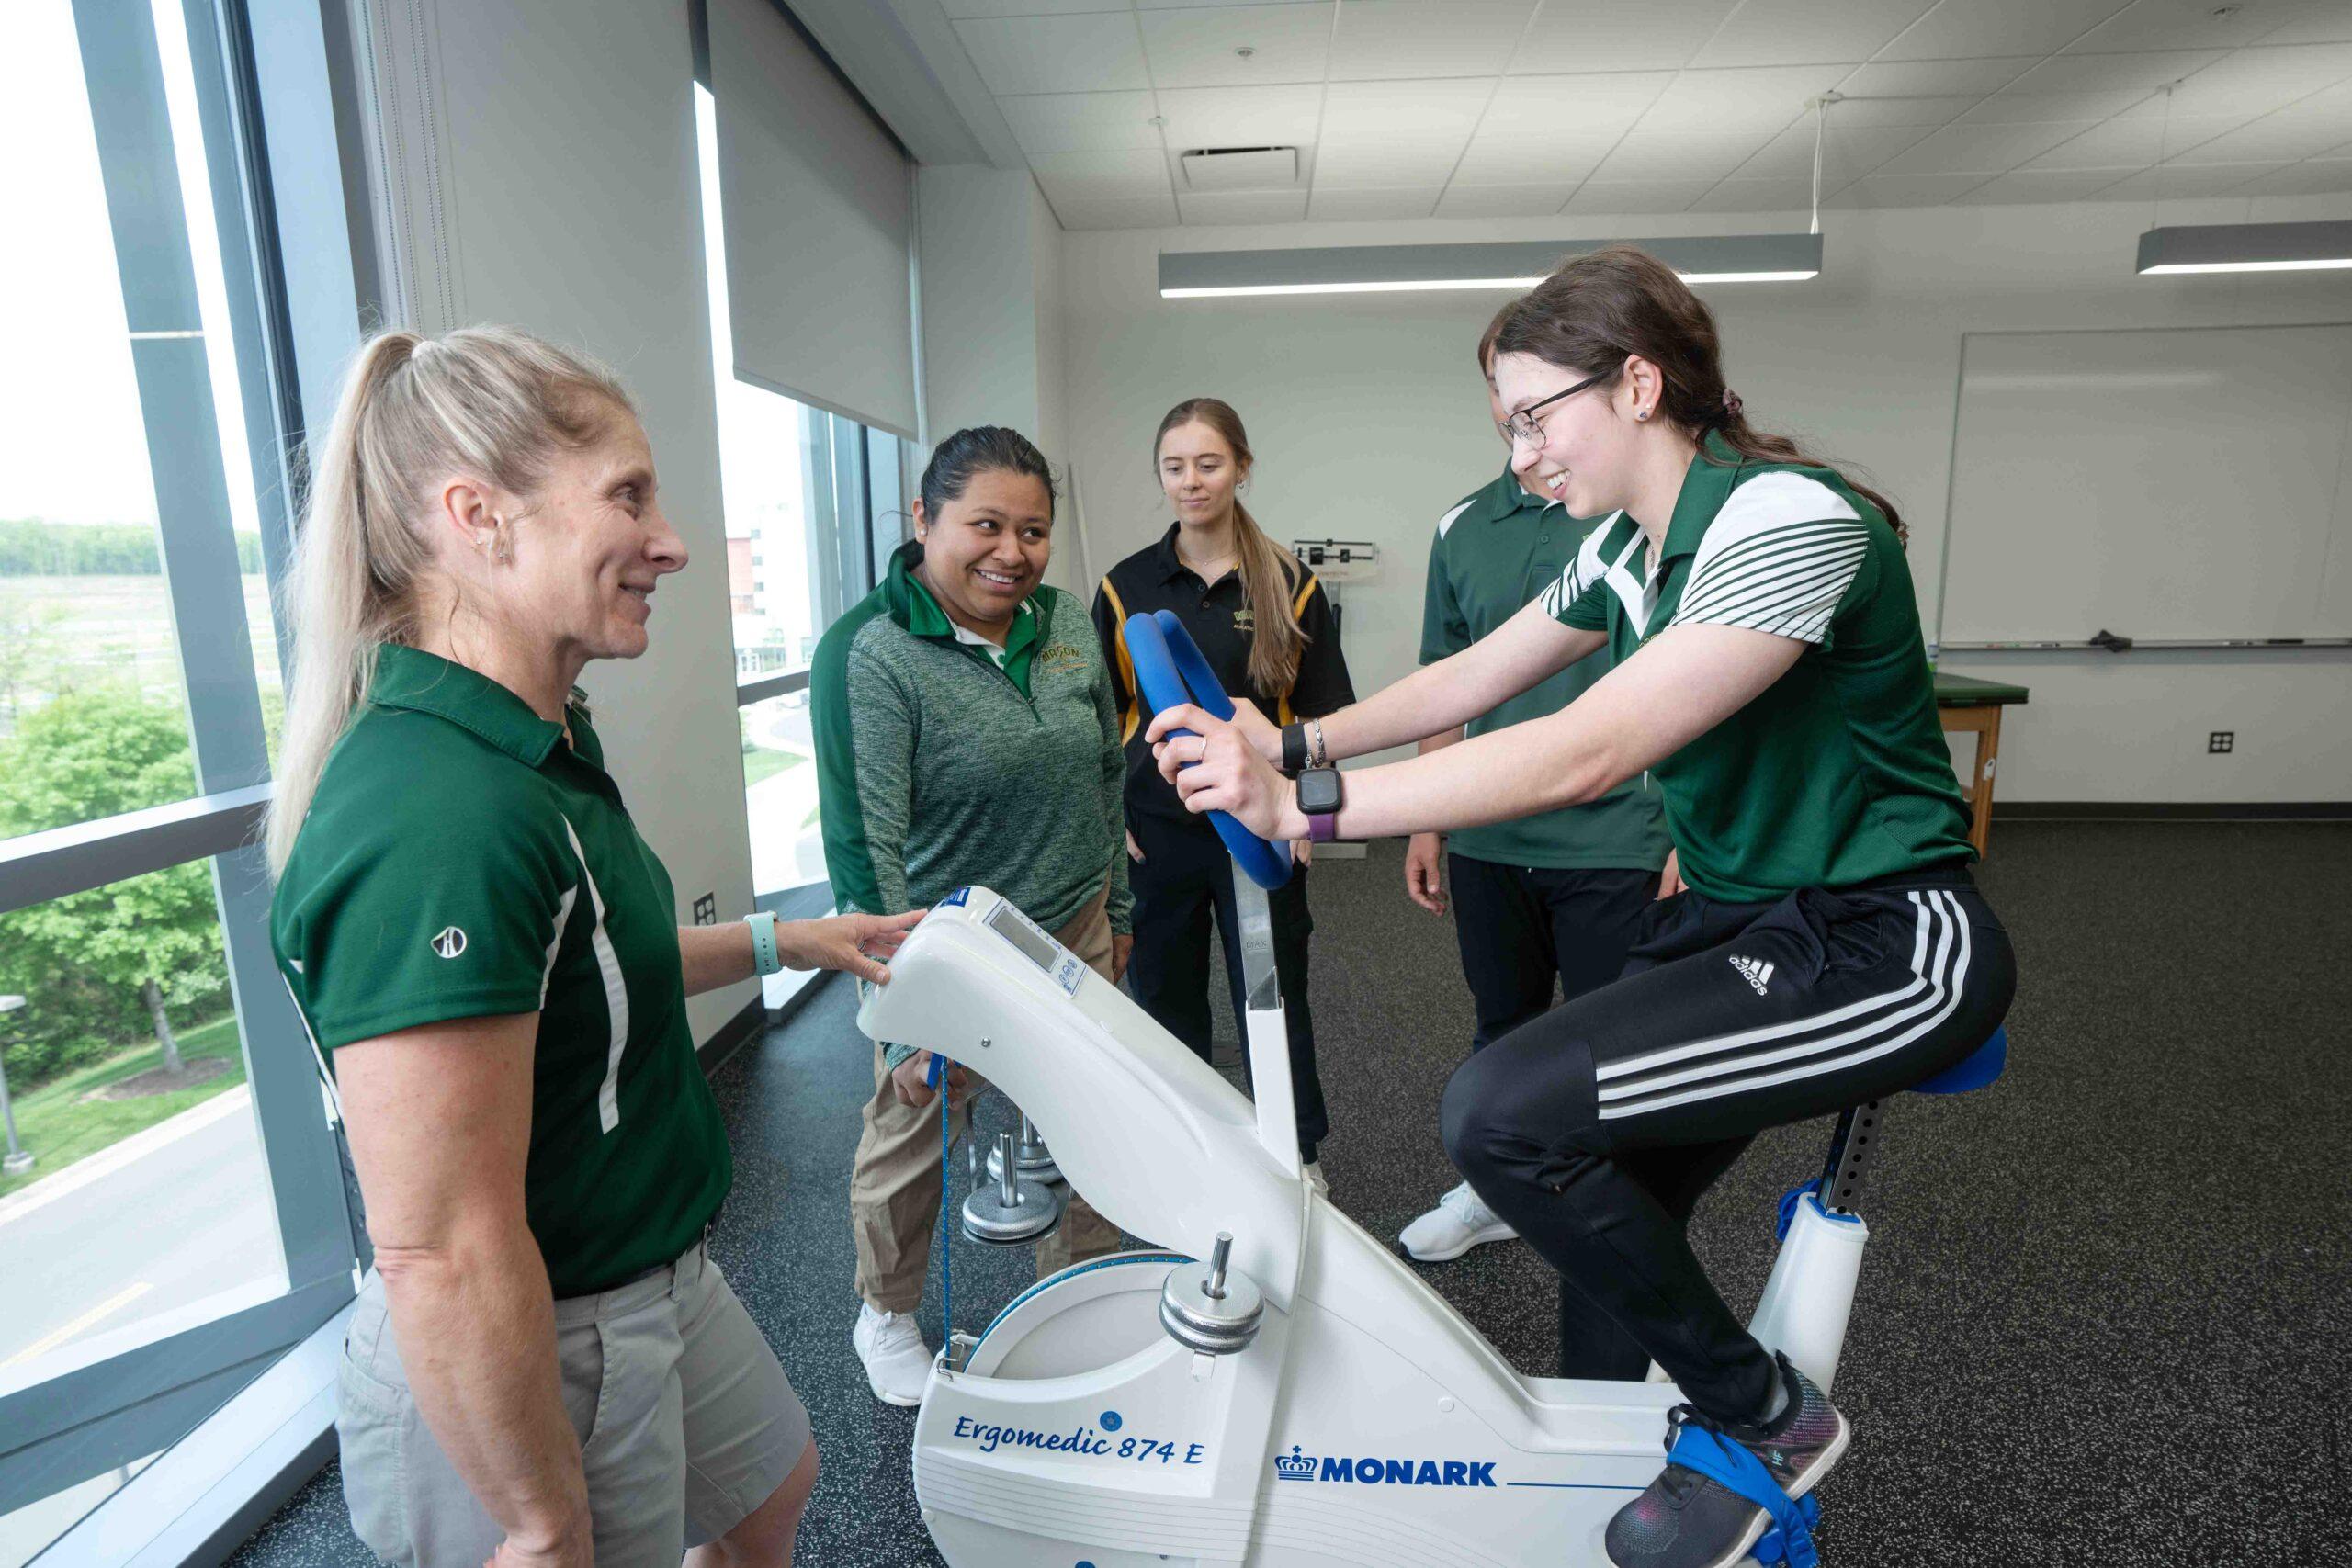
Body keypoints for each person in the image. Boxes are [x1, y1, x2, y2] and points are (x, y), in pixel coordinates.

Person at [1148, 246, 2017, 1568]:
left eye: (1534, 415)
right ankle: (1624, 1451)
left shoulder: (1787, 521)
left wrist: (1302, 813)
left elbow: (1590, 747)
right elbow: (1475, 677)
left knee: (1497, 1112)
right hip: (1747, 918)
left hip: (1887, 937)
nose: (1522, 453)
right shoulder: (1627, 546)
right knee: (1596, 1193)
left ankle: (1764, 1415)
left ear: (1639, 383)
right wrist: (1296, 744)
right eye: (1506, 425)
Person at [266, 326, 919, 1568]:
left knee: (773, 1491)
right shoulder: (439, 814)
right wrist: (538, 1515)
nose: (671, 541)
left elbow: (595, 969)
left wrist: (794, 937)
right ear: (478, 515)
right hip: (531, 1331)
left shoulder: (544, 739)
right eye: (629, 495)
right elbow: (439, 1243)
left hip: (652, 1271)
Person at [810, 425, 1132, 1407]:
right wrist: (907, 1000)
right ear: (922, 519)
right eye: (984, 525)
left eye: (1032, 530)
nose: (1011, 552)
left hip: (1072, 917)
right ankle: (886, 1309)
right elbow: (867, 845)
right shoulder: (871, 655)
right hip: (946, 940)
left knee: (1085, 1119)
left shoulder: (1066, 619)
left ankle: (1075, 1299)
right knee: (913, 1127)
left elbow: (1105, 776)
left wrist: (1115, 911)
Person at [1398, 316, 1672, 1291]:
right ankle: (1494, 1193)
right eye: (1500, 397)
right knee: (1503, 1029)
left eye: (1534, 401)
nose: (1518, 423)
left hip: (1616, 837)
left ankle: (1608, 1218)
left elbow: (1683, 693)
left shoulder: (1629, 515)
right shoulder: (1462, 527)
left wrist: (1682, 831)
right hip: (1490, 839)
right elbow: (1450, 678)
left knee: (1609, 1046)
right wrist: (1425, 813)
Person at [1092, 398, 1352, 1188]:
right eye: (1175, 467)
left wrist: (1309, 808)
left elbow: (1326, 715)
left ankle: (1297, 1154)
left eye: (1209, 464)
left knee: (1273, 995)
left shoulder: (1291, 584)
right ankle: (1188, 1157)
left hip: (1257, 824)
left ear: (1242, 467)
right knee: (1167, 1002)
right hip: (1159, 827)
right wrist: (1114, 825)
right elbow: (1102, 726)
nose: (1191, 481)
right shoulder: (1124, 586)